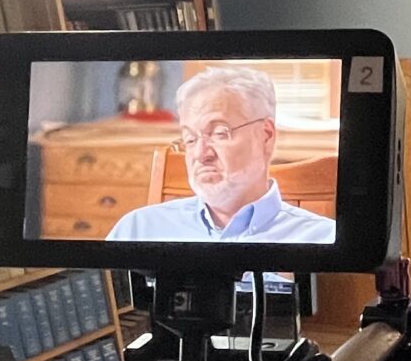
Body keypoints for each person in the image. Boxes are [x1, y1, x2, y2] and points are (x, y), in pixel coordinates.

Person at [107, 66, 336, 245]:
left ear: (266, 135)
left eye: (219, 133)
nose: (200, 154)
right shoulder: (137, 230)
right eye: (190, 139)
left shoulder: (322, 239)